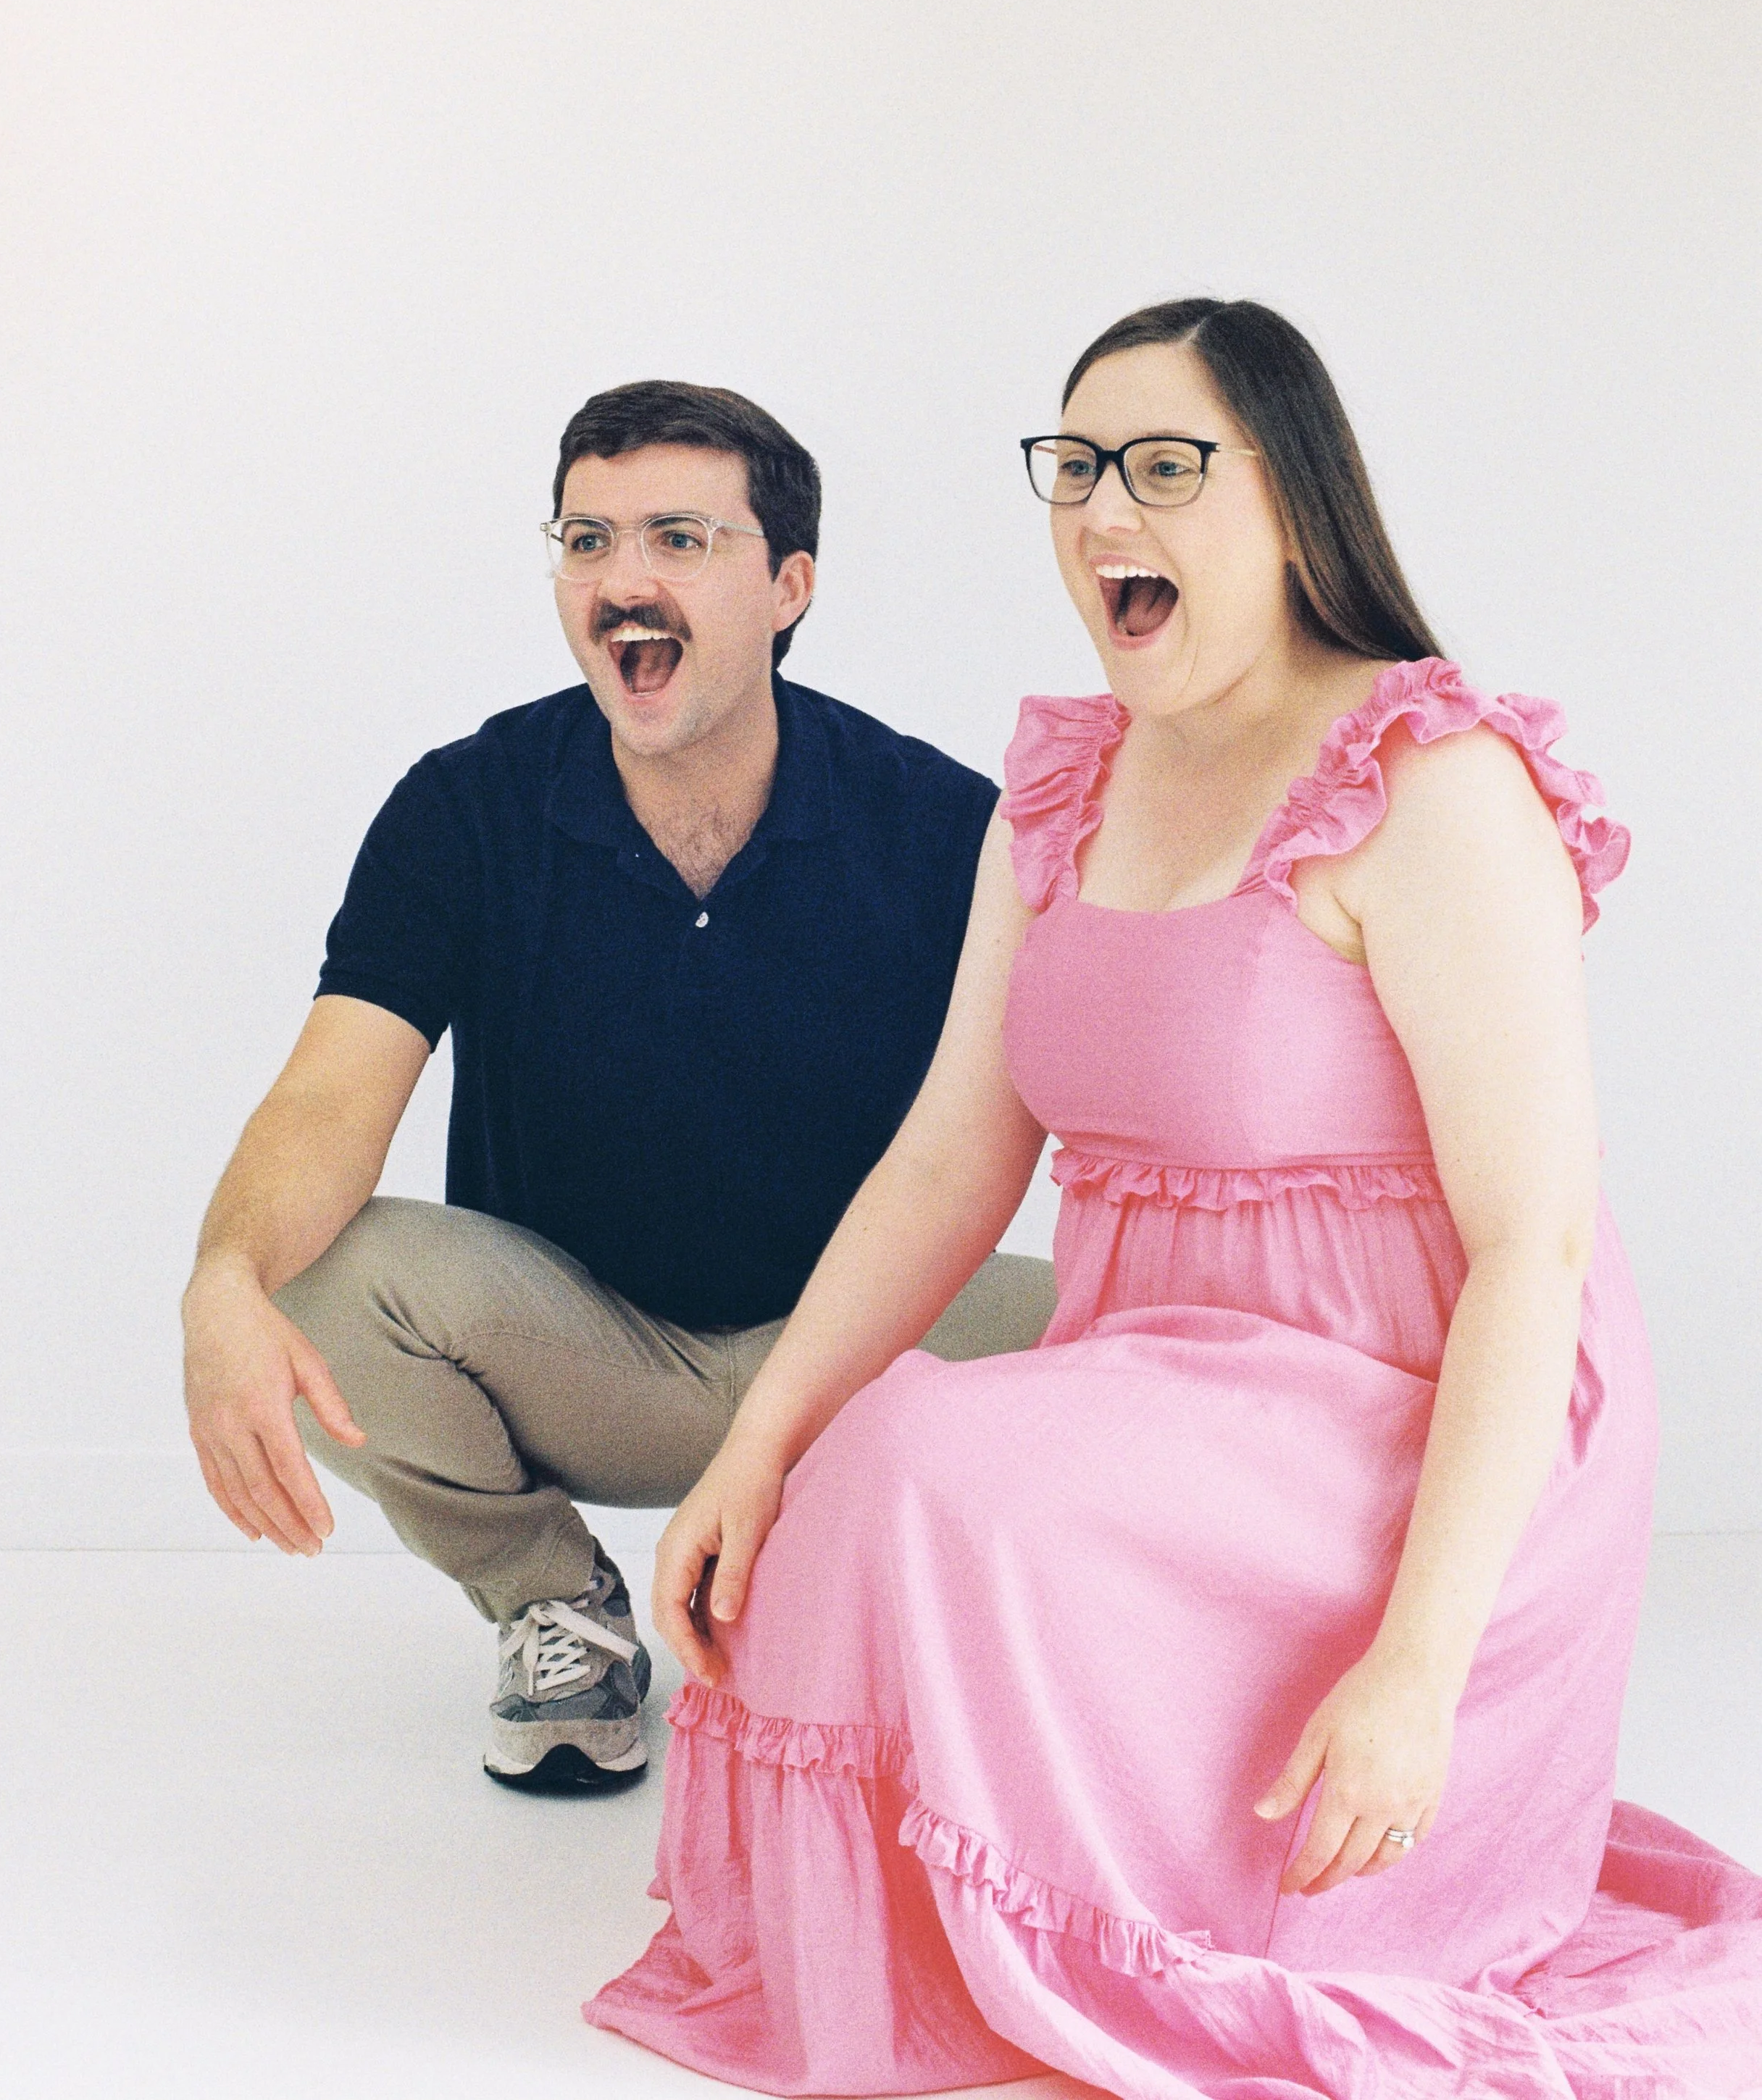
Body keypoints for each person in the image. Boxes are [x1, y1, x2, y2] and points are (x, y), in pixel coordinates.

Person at [587, 304, 1762, 2096]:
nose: (1100, 513)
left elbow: (1529, 1251)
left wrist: (1416, 1669)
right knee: (846, 1469)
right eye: (1073, 469)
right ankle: (952, 1921)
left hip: (1413, 1412)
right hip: (1166, 1389)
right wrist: (755, 1442)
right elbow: (947, 1155)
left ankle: (1135, 1899)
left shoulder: (1431, 781)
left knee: (930, 1460)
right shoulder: (1064, 785)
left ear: (1288, 499)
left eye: (1158, 465)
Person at [181, 380, 1055, 1794]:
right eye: (586, 539)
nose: (622, 578)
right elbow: (331, 1096)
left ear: (789, 585)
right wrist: (221, 1275)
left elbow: (1098, 1099)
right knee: (314, 1276)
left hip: (857, 1353)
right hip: (583, 1358)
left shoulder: (944, 824)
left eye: (677, 539)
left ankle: (867, 1592)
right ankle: (556, 1603)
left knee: (1142, 1323)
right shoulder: (466, 804)